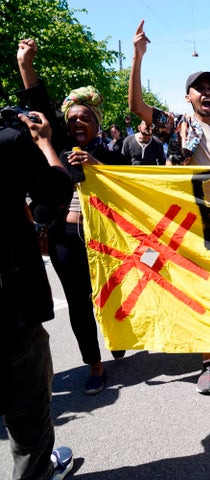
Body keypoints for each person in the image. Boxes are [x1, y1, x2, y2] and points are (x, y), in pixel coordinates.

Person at [130, 20, 210, 394]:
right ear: (188, 97)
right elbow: (136, 105)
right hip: (189, 223)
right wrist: (137, 57)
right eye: (200, 88)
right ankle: (208, 361)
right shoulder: (178, 125)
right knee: (200, 292)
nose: (208, 92)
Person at [17, 37, 130, 395]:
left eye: (86, 117)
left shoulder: (114, 153)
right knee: (79, 304)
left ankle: (118, 335)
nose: (79, 122)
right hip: (66, 240)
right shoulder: (60, 148)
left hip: (107, 239)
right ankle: (94, 365)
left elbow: (128, 187)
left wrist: (96, 165)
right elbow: (39, 106)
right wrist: (25, 65)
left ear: (97, 122)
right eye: (73, 119)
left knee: (113, 295)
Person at [1, 99, 75, 478]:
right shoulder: (9, 141)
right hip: (10, 312)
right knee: (28, 423)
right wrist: (45, 143)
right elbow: (56, 190)